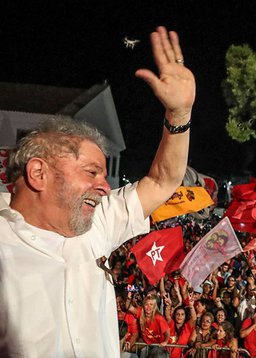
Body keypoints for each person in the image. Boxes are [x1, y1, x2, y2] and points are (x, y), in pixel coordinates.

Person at [0, 25, 195, 357]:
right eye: (91, 172)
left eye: (104, 175)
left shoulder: (99, 222)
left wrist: (179, 115)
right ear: (38, 173)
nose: (105, 188)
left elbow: (162, 181)